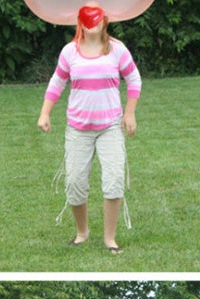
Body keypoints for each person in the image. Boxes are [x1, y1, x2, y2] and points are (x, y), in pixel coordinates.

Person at [37, 3, 141, 254]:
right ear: (79, 22)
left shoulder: (117, 50)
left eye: (96, 18)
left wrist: (129, 113)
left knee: (114, 180)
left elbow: (134, 79)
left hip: (110, 127)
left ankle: (110, 239)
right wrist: (45, 113)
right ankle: (82, 232)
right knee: (74, 183)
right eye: (86, 18)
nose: (91, 23)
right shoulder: (69, 52)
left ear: (105, 21)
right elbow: (57, 82)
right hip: (78, 129)